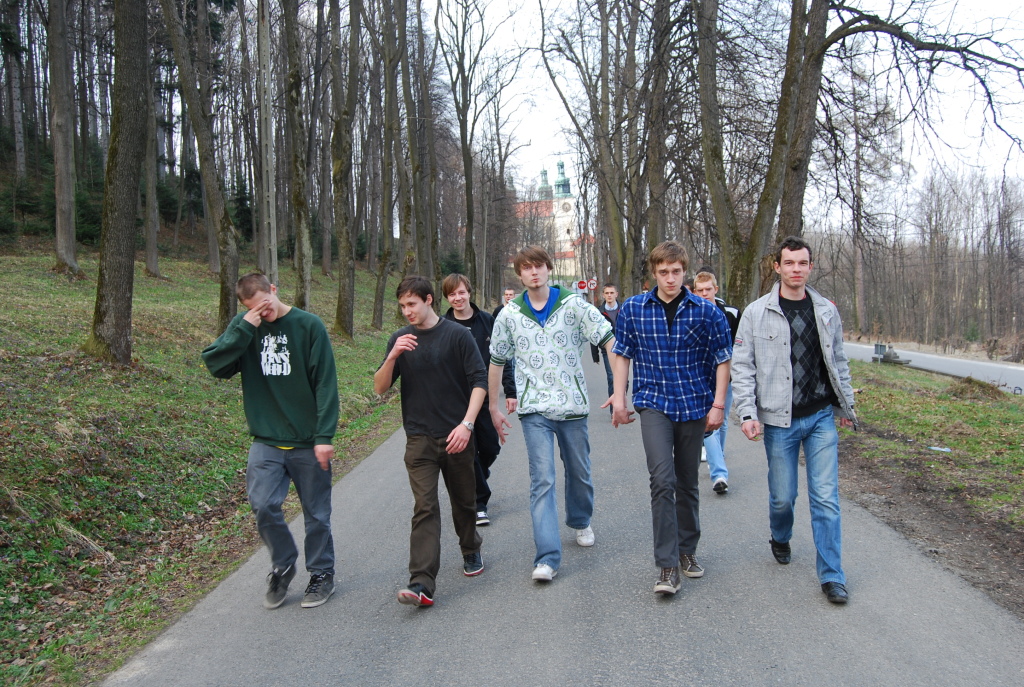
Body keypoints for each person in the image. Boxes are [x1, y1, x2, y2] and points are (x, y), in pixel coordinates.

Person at [731, 235, 857, 605]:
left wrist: (846, 407)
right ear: (777, 267)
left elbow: (839, 361)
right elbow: (742, 366)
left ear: (810, 267)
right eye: (789, 263)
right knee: (783, 497)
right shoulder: (756, 313)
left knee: (826, 498)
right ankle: (780, 535)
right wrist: (747, 413)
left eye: (802, 263)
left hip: (820, 418)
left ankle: (832, 576)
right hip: (778, 422)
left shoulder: (826, 311)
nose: (796, 269)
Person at [202, 273, 339, 610]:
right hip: (266, 438)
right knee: (263, 505)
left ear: (274, 290)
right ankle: (283, 564)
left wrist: (324, 436)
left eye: (265, 305)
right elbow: (216, 365)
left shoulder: (309, 325)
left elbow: (325, 383)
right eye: (254, 309)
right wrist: (244, 328)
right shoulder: (246, 327)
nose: (263, 313)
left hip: (307, 440)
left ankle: (321, 573)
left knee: (316, 514)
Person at [607, 241, 732, 596]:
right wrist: (619, 396)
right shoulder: (634, 309)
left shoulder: (706, 311)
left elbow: (724, 358)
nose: (670, 278)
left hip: (694, 404)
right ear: (654, 273)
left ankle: (687, 550)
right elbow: (622, 353)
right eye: (663, 272)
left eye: (676, 271)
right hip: (654, 403)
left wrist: (718, 404)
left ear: (684, 272)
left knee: (687, 481)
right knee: (662, 479)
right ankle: (666, 565)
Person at [488, 246, 614, 583]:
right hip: (534, 410)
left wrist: (619, 390)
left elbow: (608, 339)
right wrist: (493, 406)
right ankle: (546, 557)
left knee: (579, 471)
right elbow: (497, 360)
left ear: (548, 269)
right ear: (520, 274)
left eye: (539, 266)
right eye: (526, 268)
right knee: (542, 480)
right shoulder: (510, 314)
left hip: (572, 406)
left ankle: (581, 519)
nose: (534, 272)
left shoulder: (573, 304)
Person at [373, 276, 487, 608]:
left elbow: (479, 381)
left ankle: (470, 547)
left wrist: (466, 425)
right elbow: (379, 387)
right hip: (419, 439)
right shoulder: (400, 339)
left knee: (464, 502)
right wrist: (392, 356)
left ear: (428, 300)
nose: (407, 311)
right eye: (402, 306)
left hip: (456, 436)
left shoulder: (458, 335)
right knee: (424, 507)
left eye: (412, 304)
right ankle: (421, 581)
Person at [442, 274, 517, 526]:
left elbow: (502, 357)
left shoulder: (487, 321)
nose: (457, 298)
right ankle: (479, 503)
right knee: (468, 451)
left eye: (461, 292)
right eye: (452, 294)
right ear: (447, 298)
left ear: (469, 293)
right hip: (456, 400)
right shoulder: (442, 325)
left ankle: (477, 478)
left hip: (485, 396)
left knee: (490, 448)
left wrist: (510, 391)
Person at [693, 271, 742, 494]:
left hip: (727, 377)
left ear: (716, 289)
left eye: (708, 289)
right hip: (702, 378)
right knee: (709, 421)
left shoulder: (732, 314)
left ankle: (717, 457)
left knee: (721, 420)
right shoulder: (690, 314)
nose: (704, 294)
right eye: (700, 290)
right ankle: (719, 473)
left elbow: (740, 346)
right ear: (695, 291)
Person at [589, 283, 622, 400]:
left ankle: (621, 402)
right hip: (607, 350)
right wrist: (595, 355)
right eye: (607, 293)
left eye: (612, 293)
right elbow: (593, 333)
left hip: (623, 349)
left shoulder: (624, 310)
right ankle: (614, 407)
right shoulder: (598, 313)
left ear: (616, 294)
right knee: (612, 378)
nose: (609, 295)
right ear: (603, 295)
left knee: (624, 379)